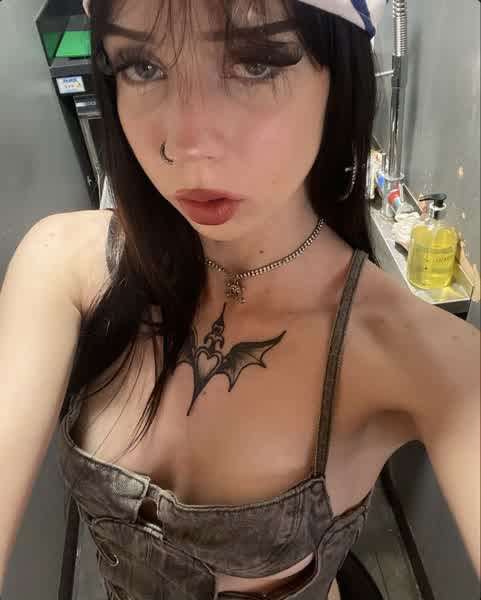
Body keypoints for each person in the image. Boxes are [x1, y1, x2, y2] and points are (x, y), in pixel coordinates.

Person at [1, 1, 479, 599]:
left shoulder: (425, 357)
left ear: (340, 78)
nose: (187, 144)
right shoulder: (64, 266)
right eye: (142, 66)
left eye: (255, 62)